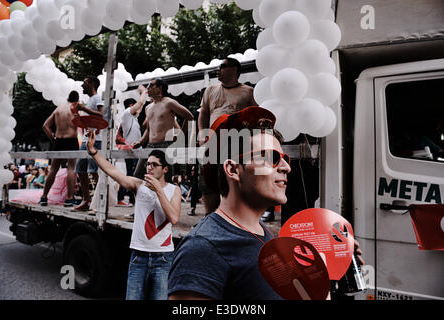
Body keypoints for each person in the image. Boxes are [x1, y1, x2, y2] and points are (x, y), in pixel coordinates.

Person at [168, 107, 364, 300]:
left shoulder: (264, 234)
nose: (287, 167)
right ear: (233, 169)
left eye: (285, 158)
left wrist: (322, 272)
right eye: (272, 157)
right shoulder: (202, 249)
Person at [85, 130, 182, 300]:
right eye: (148, 164)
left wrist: (158, 190)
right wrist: (93, 152)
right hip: (139, 256)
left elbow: (174, 218)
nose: (149, 167)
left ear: (165, 169)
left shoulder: (174, 190)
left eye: (154, 164)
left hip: (163, 258)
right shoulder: (138, 185)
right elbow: (112, 170)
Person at [197, 57, 258, 214]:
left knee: (232, 180)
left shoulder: (249, 91)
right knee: (208, 180)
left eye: (222, 66)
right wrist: (202, 135)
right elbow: (203, 113)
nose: (218, 70)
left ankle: (231, 217)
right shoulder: (210, 90)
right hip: (212, 143)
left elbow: (255, 117)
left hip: (236, 144)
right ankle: (209, 216)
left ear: (234, 69)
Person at [132, 78, 194, 179]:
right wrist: (140, 141)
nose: (148, 88)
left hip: (165, 145)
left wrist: (180, 135)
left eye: (151, 85)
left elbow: (189, 116)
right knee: (138, 175)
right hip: (150, 146)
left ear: (159, 88)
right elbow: (149, 129)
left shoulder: (169, 103)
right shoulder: (148, 107)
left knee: (165, 179)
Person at [40, 91, 81, 207]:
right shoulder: (75, 109)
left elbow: (45, 126)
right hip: (71, 140)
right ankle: (69, 199)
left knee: (53, 169)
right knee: (71, 169)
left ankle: (44, 197)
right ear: (76, 100)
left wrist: (53, 139)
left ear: (67, 98)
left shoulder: (58, 109)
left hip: (59, 141)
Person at [74, 77, 105, 211]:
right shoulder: (90, 100)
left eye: (85, 83)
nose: (82, 85)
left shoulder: (97, 98)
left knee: (93, 171)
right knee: (80, 169)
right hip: (87, 138)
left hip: (96, 139)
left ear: (92, 84)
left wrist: (84, 109)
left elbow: (101, 115)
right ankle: (86, 200)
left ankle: (98, 202)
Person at [117, 85, 148, 206]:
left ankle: (128, 198)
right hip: (130, 150)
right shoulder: (126, 114)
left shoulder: (133, 119)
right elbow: (140, 103)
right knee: (132, 175)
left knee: (131, 174)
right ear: (131, 106)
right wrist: (143, 91)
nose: (138, 109)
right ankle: (129, 198)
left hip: (135, 150)